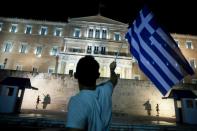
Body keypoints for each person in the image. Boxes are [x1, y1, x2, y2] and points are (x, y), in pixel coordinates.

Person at [66, 55, 118, 131]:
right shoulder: (106, 90)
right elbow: (114, 80)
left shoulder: (77, 101)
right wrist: (112, 69)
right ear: (98, 75)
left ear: (75, 75)